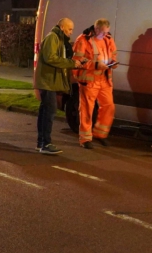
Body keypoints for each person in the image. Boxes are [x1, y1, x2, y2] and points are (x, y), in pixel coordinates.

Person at [34, 18, 81, 155]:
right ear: (62, 27)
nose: (71, 32)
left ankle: (41, 142)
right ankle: (45, 143)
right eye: (70, 29)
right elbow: (50, 58)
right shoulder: (53, 38)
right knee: (49, 112)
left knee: (45, 112)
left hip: (49, 81)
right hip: (48, 81)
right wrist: (71, 63)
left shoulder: (57, 38)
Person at [73, 18, 117, 149]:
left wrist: (113, 63)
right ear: (96, 29)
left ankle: (99, 134)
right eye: (103, 32)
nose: (105, 35)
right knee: (87, 110)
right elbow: (77, 61)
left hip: (104, 79)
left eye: (106, 32)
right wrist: (96, 64)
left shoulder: (108, 38)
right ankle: (85, 139)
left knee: (109, 106)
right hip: (89, 80)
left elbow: (113, 54)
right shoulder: (83, 40)